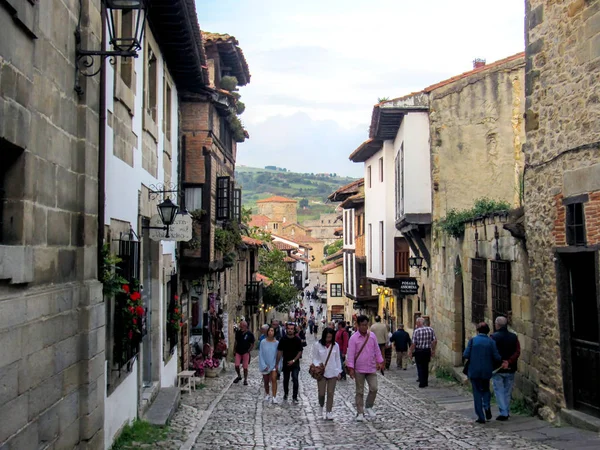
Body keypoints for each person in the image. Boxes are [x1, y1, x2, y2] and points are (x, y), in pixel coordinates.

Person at [346, 315, 385, 421]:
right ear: (358, 325)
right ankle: (360, 412)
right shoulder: (354, 338)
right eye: (362, 325)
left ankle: (368, 406)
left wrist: (380, 361)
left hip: (371, 367)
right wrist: (351, 368)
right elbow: (351, 354)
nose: (364, 327)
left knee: (374, 388)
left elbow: (376, 349)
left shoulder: (372, 336)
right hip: (359, 369)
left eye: (366, 325)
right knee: (360, 391)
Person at [463, 322, 502, 424]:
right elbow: (497, 357)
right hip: (486, 371)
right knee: (485, 389)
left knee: (476, 392)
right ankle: (487, 406)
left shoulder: (472, 341)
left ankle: (481, 416)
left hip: (474, 371)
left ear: (478, 331)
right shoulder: (491, 342)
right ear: (488, 331)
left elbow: (466, 355)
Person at [491, 316, 520, 421]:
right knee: (507, 390)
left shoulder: (493, 337)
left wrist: (501, 361)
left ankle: (504, 412)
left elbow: (493, 352)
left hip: (498, 368)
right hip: (510, 367)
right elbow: (517, 351)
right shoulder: (514, 337)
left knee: (499, 390)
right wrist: (509, 361)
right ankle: (506, 410)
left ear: (497, 325)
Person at [312, 328, 343, 420]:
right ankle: (321, 405)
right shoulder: (317, 345)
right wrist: (318, 366)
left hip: (332, 372)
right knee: (321, 393)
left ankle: (329, 411)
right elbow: (315, 358)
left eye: (330, 336)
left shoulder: (335, 346)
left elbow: (337, 359)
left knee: (330, 392)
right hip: (321, 373)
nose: (329, 338)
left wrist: (338, 371)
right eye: (327, 336)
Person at [276, 322, 304, 402]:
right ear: (286, 329)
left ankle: (295, 396)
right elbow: (280, 351)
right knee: (286, 379)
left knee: (295, 379)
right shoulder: (283, 339)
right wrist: (277, 363)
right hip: (286, 362)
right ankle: (286, 393)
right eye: (289, 329)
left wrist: (294, 360)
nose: (290, 330)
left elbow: (300, 351)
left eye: (292, 329)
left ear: (294, 330)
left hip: (295, 362)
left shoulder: (297, 340)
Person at [408, 317, 437, 388]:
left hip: (419, 351)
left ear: (418, 323)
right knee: (426, 366)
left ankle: (422, 382)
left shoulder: (416, 331)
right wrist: (433, 350)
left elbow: (414, 343)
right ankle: (425, 381)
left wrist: (410, 351)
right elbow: (434, 341)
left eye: (416, 323)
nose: (416, 324)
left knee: (420, 366)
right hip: (427, 350)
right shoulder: (430, 329)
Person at [259, 325, 281, 403]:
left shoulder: (277, 343)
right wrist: (263, 365)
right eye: (269, 331)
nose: (270, 332)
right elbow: (261, 354)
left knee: (274, 379)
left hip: (273, 364)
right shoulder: (263, 342)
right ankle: (267, 394)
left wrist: (277, 365)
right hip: (265, 364)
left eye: (272, 331)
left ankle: (274, 396)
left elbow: (279, 355)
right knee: (266, 381)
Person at [233, 320, 255, 386]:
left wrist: (249, 350)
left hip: (245, 352)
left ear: (245, 326)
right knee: (236, 365)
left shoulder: (250, 334)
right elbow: (236, 341)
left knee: (245, 367)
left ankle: (245, 379)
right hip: (238, 351)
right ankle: (239, 375)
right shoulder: (238, 332)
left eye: (241, 325)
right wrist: (234, 349)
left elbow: (252, 343)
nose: (240, 326)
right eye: (240, 325)